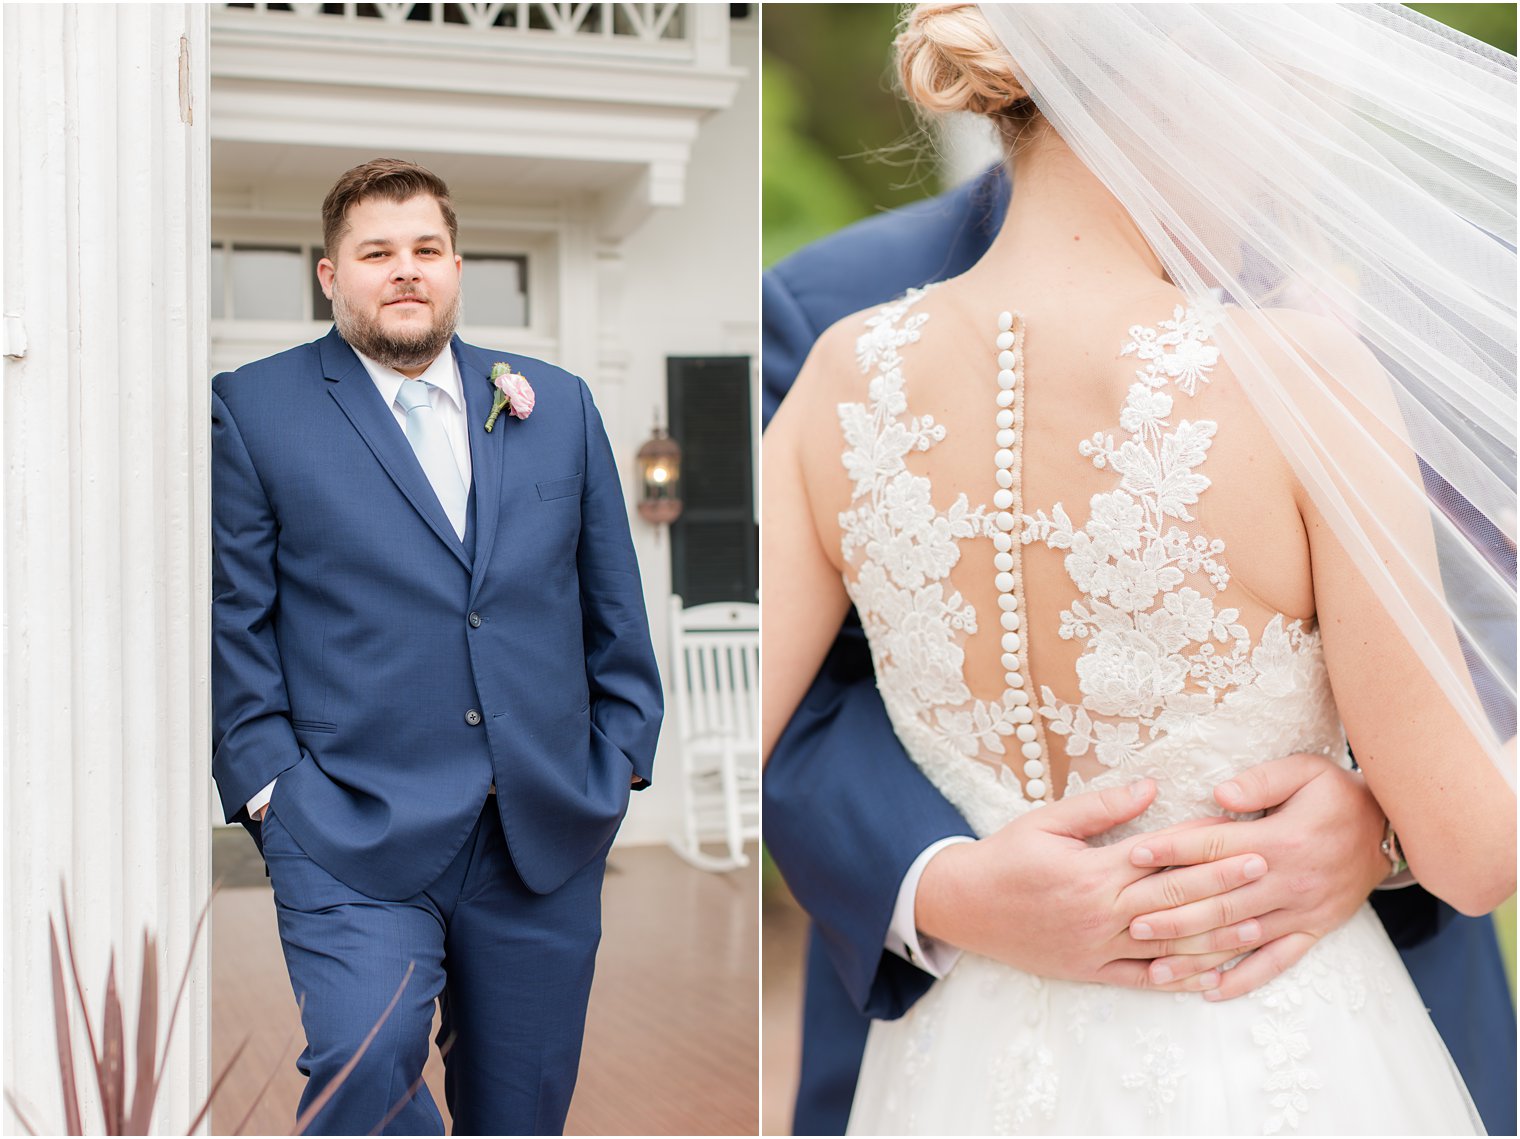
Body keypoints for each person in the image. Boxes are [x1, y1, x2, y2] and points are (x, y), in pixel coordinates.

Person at [761, 4, 1515, 1134]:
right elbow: (1472, 851)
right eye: (1279, 80)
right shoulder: (1297, 374)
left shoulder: (838, 375)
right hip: (1264, 1038)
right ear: (1186, 82)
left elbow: (717, 728)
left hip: (958, 1066)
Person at [211, 158, 661, 1135]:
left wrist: (620, 757)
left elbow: (610, 602)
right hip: (347, 824)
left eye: (425, 249)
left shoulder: (556, 403)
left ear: (457, 267)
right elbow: (232, 620)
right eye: (375, 251)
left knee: (521, 1109)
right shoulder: (253, 409)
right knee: (361, 1063)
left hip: (540, 825)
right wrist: (270, 790)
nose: (403, 269)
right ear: (330, 275)